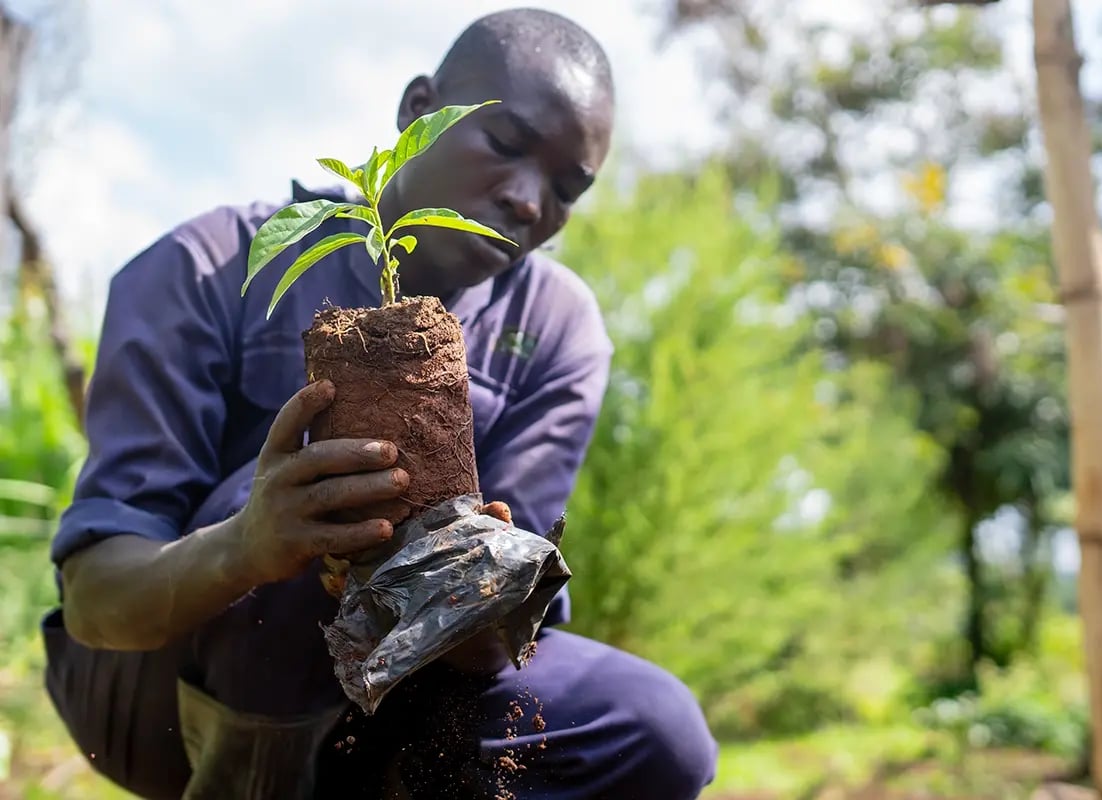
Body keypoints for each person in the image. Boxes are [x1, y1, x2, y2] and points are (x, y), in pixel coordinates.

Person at [40, 8, 718, 800]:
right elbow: (96, 599)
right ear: (416, 111)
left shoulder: (557, 329)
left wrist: (482, 595)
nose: (532, 202)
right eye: (504, 145)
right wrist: (249, 546)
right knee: (328, 510)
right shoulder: (209, 267)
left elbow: (503, 640)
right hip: (159, 690)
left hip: (394, 695)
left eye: (568, 189)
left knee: (655, 730)